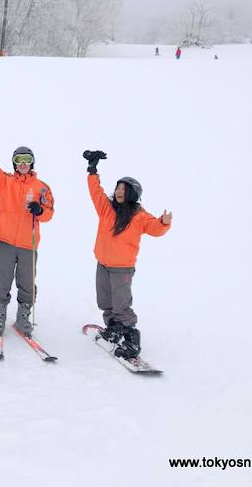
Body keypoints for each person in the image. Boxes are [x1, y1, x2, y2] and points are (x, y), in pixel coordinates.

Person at [83, 150, 172, 358]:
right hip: (103, 264)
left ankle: (131, 339)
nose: (119, 191)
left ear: (133, 193)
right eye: (118, 187)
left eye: (124, 189)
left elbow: (154, 228)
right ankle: (114, 330)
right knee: (105, 302)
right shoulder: (107, 209)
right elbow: (95, 191)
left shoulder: (138, 215)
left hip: (122, 268)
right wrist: (92, 170)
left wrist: (163, 223)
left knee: (121, 305)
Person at [0, 130, 54, 337]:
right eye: (19, 160)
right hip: (5, 241)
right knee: (2, 281)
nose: (23, 163)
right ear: (14, 163)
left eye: (27, 160)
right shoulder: (4, 181)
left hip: (28, 243)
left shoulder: (42, 187)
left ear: (32, 163)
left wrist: (40, 211)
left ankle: (23, 317)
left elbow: (49, 213)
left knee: (26, 282)